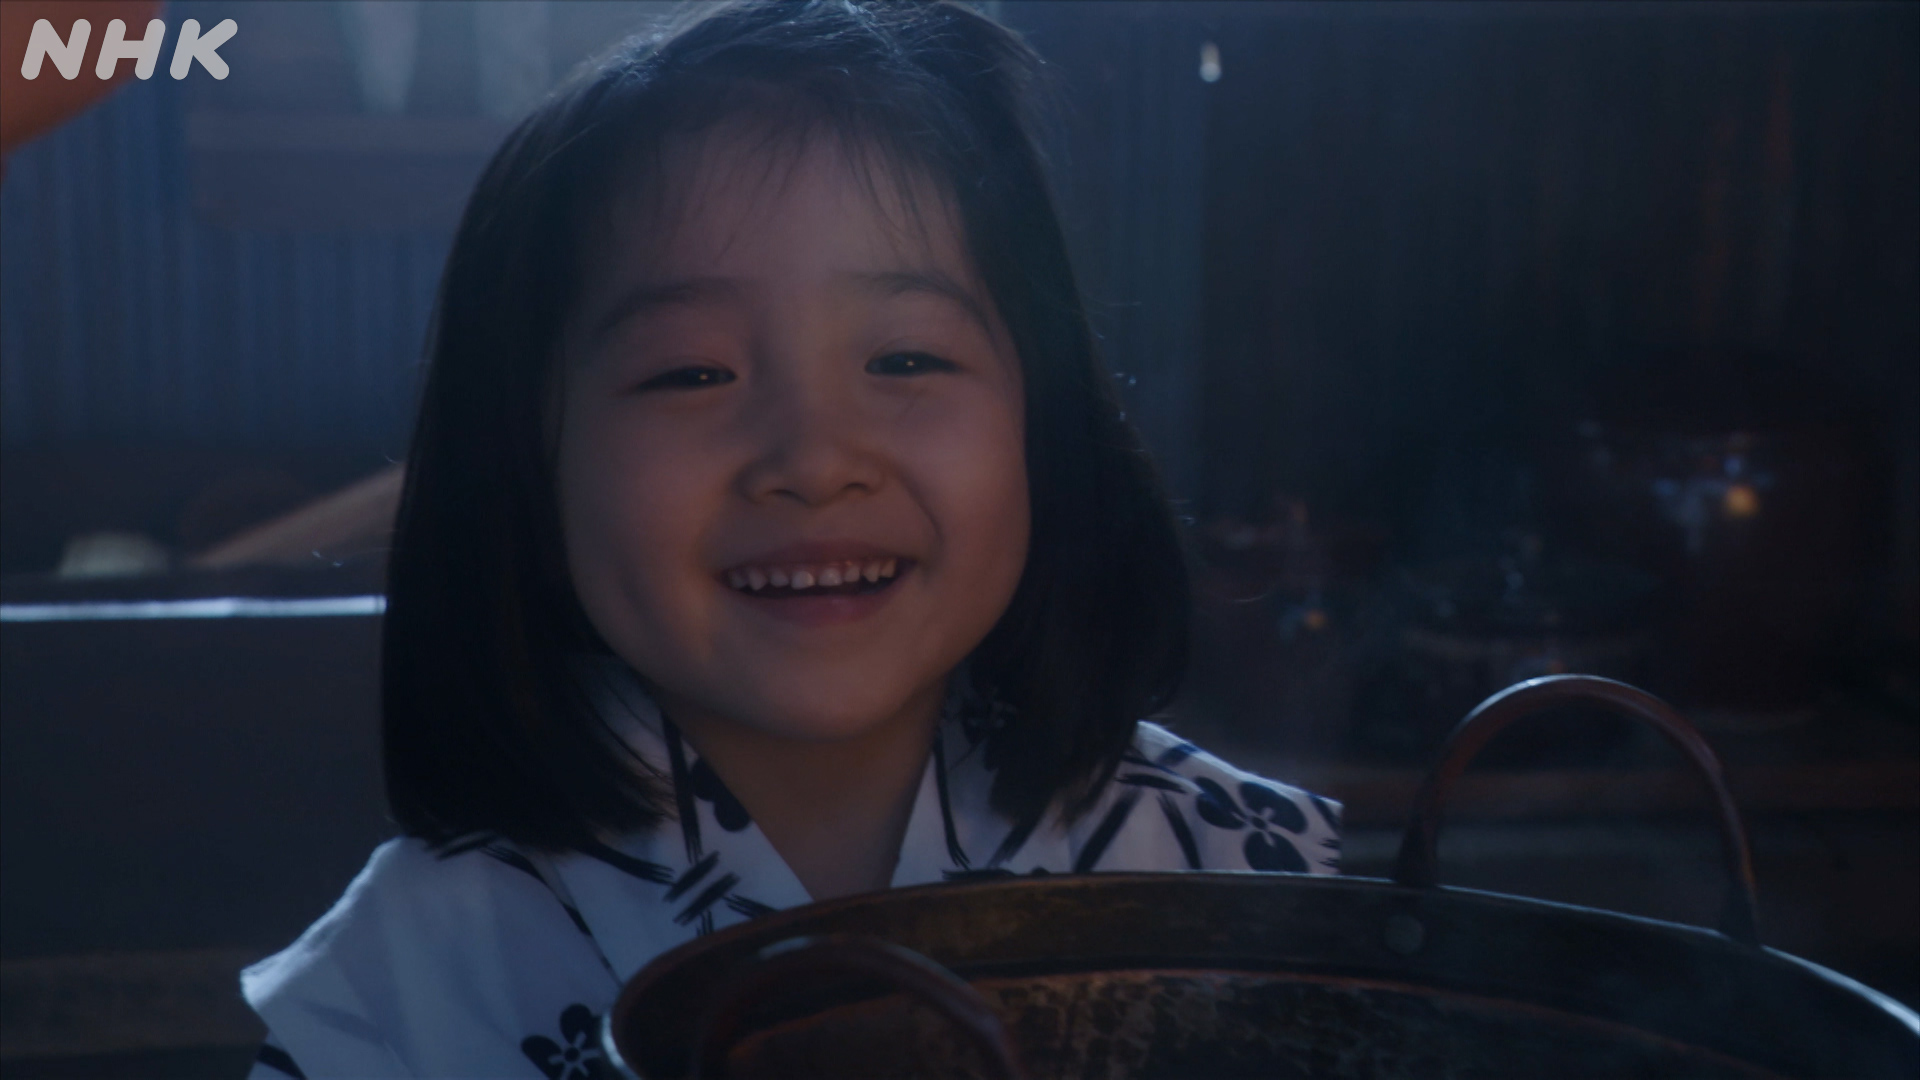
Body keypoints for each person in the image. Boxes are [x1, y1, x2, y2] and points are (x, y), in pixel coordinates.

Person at [241, 2, 1341, 1076]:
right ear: (528, 462)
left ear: (1043, 427)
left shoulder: (1237, 876)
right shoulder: (404, 988)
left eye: (906, 359)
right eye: (693, 372)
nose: (815, 459)